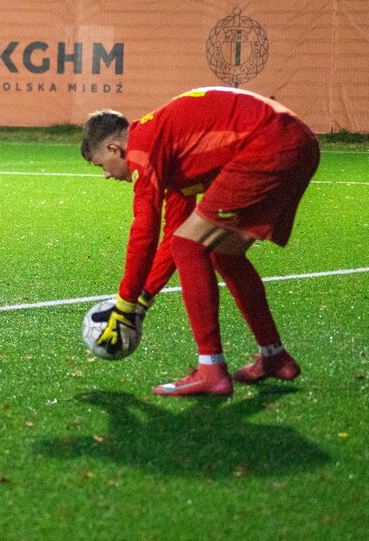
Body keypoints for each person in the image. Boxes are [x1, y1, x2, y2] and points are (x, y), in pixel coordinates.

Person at [81, 86, 319, 397]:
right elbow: (174, 231)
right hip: (296, 142)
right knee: (222, 254)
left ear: (114, 149)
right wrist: (143, 299)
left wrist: (125, 303)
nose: (106, 175)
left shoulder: (143, 148)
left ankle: (211, 371)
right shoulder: (168, 149)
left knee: (190, 246)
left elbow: (145, 229)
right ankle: (274, 355)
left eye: (101, 165)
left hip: (269, 144)